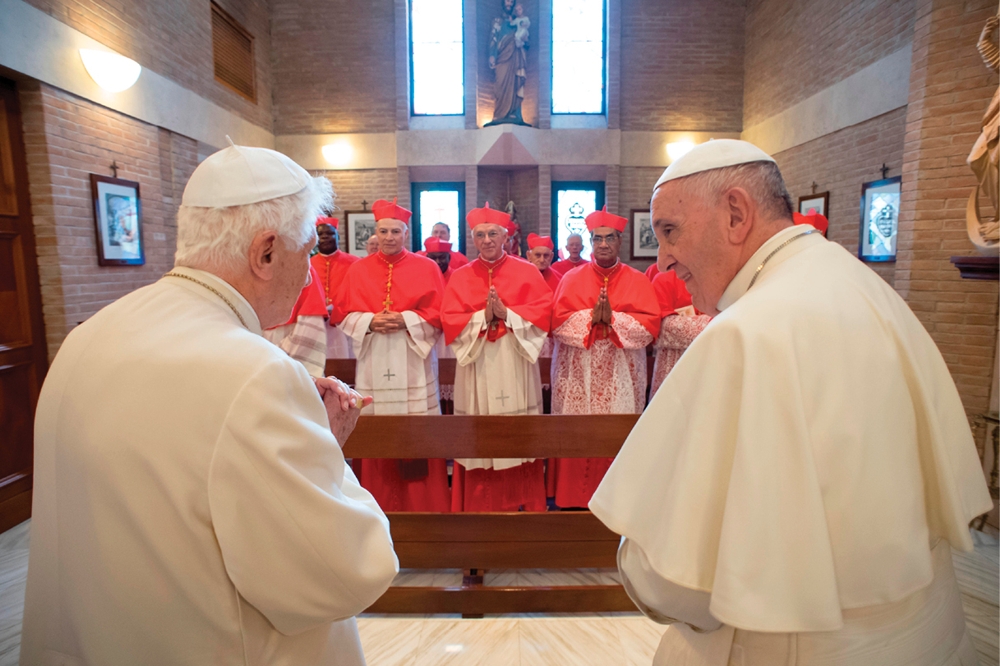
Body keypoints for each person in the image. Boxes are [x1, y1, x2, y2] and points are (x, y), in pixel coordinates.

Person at [589, 140, 992, 666]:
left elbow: (677, 583)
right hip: (928, 635)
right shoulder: (864, 286)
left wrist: (636, 553)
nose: (662, 258)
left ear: (736, 214)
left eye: (670, 231)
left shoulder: (746, 332)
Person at [20, 143, 398, 666]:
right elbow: (342, 573)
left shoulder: (87, 338)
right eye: (308, 252)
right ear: (266, 253)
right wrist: (326, 453)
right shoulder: (256, 373)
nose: (311, 274)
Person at [332, 197, 450, 512]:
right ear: (376, 232)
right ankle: (376, 504)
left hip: (413, 358)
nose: (389, 237)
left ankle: (424, 506)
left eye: (395, 232)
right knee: (376, 426)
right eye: (383, 231)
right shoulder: (358, 270)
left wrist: (406, 320)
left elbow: (440, 314)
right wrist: (369, 322)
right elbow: (341, 314)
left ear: (406, 233)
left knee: (417, 429)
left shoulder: (427, 268)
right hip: (374, 358)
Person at [441, 203, 551, 511]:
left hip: (514, 358)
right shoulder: (461, 276)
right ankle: (480, 506)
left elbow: (543, 314)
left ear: (506, 236)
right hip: (477, 362)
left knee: (518, 435)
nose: (487, 240)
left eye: (493, 234)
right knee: (479, 435)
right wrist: (482, 318)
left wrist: (507, 315)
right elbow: (449, 319)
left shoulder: (527, 271)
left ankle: (522, 506)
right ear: (472, 239)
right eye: (480, 235)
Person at [549, 207, 660, 509]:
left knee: (615, 434)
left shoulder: (637, 280)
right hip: (577, 373)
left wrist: (613, 320)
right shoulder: (571, 278)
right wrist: (591, 319)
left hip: (620, 373)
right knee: (577, 433)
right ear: (590, 242)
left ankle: (617, 501)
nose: (603, 244)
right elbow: (557, 323)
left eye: (610, 238)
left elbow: (650, 327)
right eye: (597, 239)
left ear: (620, 240)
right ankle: (572, 498)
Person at [648, 269, 710, 397]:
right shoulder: (664, 279)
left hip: (709, 361)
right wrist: (712, 323)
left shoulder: (719, 278)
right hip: (672, 365)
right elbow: (662, 328)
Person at [262, 263, 329, 377]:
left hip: (290, 338)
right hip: (257, 340)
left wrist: (271, 357)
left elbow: (310, 328)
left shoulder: (302, 267)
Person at [312, 216, 359, 358]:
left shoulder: (354, 263)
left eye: (330, 233)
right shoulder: (308, 265)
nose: (325, 237)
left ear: (338, 236)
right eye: (320, 234)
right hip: (316, 324)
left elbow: (358, 294)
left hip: (345, 323)